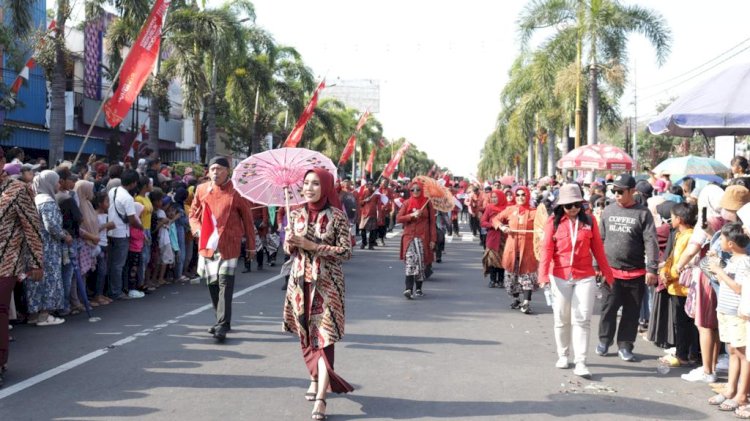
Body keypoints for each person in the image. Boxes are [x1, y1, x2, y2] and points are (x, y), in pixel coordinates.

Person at [282, 168, 354, 420]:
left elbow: (346, 252)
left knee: (325, 339)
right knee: (305, 335)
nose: (310, 188)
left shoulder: (337, 216)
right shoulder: (295, 214)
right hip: (301, 283)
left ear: (325, 187)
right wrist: (290, 242)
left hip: (328, 286)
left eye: (315, 183)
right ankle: (314, 377)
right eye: (306, 183)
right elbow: (288, 250)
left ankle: (322, 399)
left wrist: (315, 246)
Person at [538, 184, 614, 379]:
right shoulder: (553, 222)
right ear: (561, 206)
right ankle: (563, 355)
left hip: (585, 275)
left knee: (582, 319)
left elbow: (598, 248)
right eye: (568, 205)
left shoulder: (589, 221)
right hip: (560, 275)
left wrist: (607, 273)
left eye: (576, 204)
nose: (573, 208)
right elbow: (546, 249)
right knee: (562, 319)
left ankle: (581, 361)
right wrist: (543, 275)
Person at [189, 156, 256, 341]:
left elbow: (248, 221)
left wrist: (251, 246)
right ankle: (221, 320)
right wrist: (197, 230)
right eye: (212, 169)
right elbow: (193, 215)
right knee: (212, 284)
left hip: (230, 244)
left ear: (228, 171)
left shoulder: (237, 192)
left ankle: (222, 325)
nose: (215, 172)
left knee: (225, 283)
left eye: (219, 169)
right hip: (208, 244)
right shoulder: (202, 189)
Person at [596, 173, 659, 362]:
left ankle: (625, 345)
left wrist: (652, 269)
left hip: (636, 273)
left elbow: (651, 242)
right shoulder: (608, 211)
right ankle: (604, 341)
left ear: (632, 191)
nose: (616, 194)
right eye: (614, 191)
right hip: (611, 272)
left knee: (631, 313)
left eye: (620, 191)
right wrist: (596, 265)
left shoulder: (643, 213)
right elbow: (600, 240)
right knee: (608, 309)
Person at [708, 222, 750, 412]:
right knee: (732, 351)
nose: (720, 242)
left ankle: (741, 394)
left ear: (731, 243)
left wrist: (719, 271)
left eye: (722, 239)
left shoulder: (744, 262)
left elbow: (739, 288)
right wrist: (718, 267)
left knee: (742, 354)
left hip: (737, 313)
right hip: (726, 311)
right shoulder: (733, 259)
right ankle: (731, 388)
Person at [658, 202, 699, 368]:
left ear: (679, 219)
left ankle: (683, 355)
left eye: (673, 217)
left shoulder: (689, 236)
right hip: (676, 285)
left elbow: (682, 262)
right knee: (681, 322)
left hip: (682, 287)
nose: (671, 220)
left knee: (683, 323)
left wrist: (668, 275)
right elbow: (672, 258)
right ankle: (684, 353)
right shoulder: (679, 234)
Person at [497, 186, 539, 314]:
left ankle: (526, 302)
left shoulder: (534, 212)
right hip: (512, 248)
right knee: (511, 276)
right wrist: (502, 227)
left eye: (523, 195)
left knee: (527, 275)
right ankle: (516, 299)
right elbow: (496, 219)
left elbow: (545, 225)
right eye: (518, 194)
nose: (520, 197)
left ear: (528, 196)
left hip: (527, 250)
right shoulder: (510, 210)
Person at [396, 180, 437, 299]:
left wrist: (433, 239)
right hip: (409, 237)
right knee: (410, 262)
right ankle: (408, 288)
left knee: (420, 263)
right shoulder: (407, 203)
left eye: (418, 189)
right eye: (412, 190)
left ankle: (418, 288)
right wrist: (411, 216)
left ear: (422, 190)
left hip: (423, 237)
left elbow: (432, 223)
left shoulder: (428, 204)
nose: (415, 192)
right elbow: (399, 218)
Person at [107, 170, 143, 300]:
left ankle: (112, 290)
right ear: (133, 183)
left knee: (112, 263)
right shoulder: (127, 197)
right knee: (118, 265)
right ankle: (116, 292)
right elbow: (132, 219)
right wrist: (141, 227)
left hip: (111, 230)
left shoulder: (113, 191)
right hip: (121, 233)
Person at [480, 190, 507, 288]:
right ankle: (492, 280)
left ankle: (501, 280)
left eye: (496, 197)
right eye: (493, 197)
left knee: (502, 260)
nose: (494, 199)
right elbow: (483, 222)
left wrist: (506, 226)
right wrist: (493, 225)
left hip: (504, 237)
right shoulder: (489, 207)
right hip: (492, 237)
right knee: (492, 260)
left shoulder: (507, 208)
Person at [358, 180, 379, 250]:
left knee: (372, 230)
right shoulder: (364, 192)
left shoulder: (376, 194)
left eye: (371, 184)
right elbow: (360, 202)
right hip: (364, 213)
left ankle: (371, 244)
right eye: (369, 184)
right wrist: (364, 201)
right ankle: (364, 242)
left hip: (373, 214)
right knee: (362, 229)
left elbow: (379, 203)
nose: (370, 186)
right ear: (367, 185)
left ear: (373, 186)